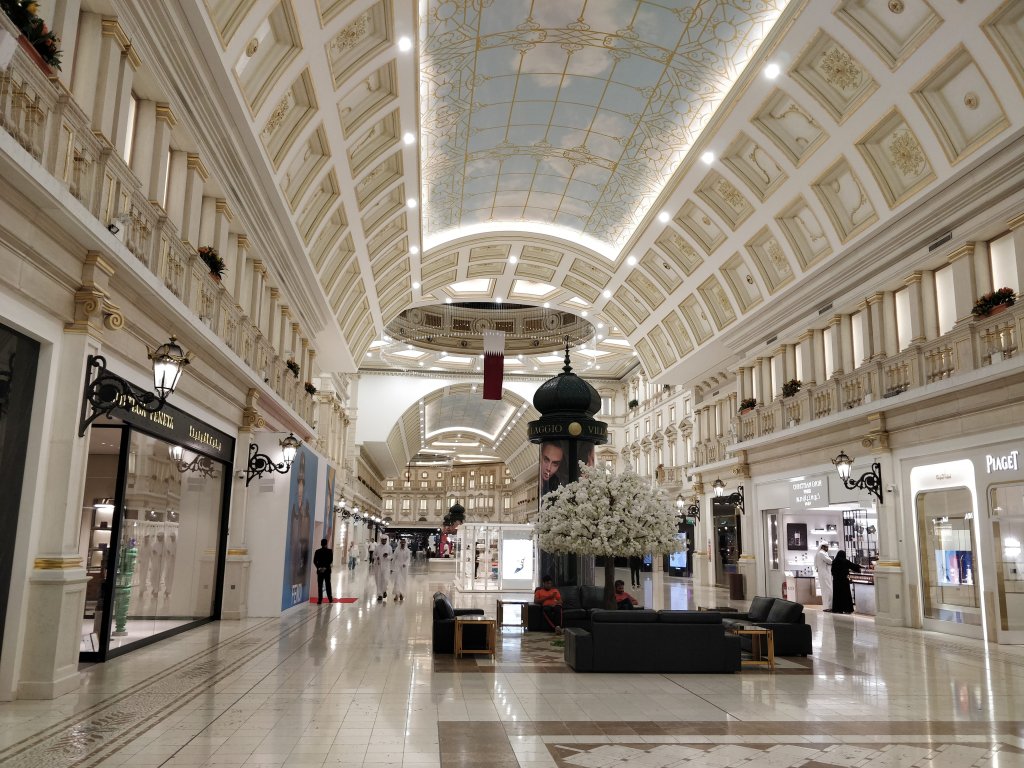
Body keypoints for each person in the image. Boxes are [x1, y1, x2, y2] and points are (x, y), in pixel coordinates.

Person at [830, 550, 861, 614]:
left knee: (837, 595)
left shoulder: (834, 561)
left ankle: (837, 609)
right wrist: (859, 567)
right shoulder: (845, 561)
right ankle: (847, 609)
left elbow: (832, 571)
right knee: (845, 595)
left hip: (836, 581)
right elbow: (853, 566)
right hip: (844, 581)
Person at [313, 538, 333, 605]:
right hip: (327, 571)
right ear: (326, 544)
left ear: (321, 544)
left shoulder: (317, 551)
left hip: (320, 571)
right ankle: (330, 599)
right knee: (328, 585)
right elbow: (330, 560)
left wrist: (319, 568)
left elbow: (314, 561)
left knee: (320, 585)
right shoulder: (330, 551)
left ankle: (320, 600)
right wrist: (325, 567)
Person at [814, 544, 834, 611]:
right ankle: (828, 607)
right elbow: (830, 561)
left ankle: (828, 606)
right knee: (828, 590)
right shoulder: (821, 553)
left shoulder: (820, 553)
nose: (827, 549)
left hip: (824, 573)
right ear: (822, 547)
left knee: (827, 590)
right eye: (826, 547)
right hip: (825, 574)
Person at [372, 535, 391, 602]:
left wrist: (387, 556)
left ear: (386, 540)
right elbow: (373, 555)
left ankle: (384, 590)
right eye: (383, 539)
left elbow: (391, 556)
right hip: (378, 566)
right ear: (381, 540)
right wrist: (376, 557)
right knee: (378, 580)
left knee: (385, 580)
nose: (384, 541)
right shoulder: (377, 547)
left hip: (386, 566)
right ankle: (380, 594)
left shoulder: (389, 547)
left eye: (385, 539)